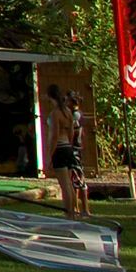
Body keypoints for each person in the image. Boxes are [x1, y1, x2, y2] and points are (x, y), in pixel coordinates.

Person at [46, 85, 92, 219]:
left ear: (50, 96)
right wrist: (70, 146)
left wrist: (50, 154)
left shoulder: (55, 113)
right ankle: (73, 211)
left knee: (64, 184)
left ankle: (69, 213)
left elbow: (54, 135)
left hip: (59, 148)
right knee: (70, 184)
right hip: (67, 147)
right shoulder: (67, 111)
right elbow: (71, 132)